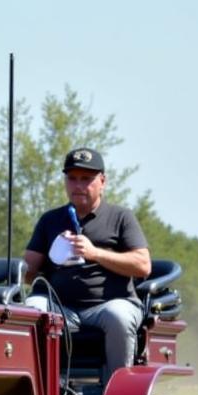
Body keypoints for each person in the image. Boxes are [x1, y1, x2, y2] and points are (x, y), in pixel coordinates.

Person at [24, 147, 151, 382]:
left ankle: (119, 391)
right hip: (61, 307)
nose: (78, 185)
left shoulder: (121, 217)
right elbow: (27, 273)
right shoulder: (50, 220)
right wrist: (32, 265)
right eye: (72, 178)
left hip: (108, 305)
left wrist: (95, 253)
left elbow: (143, 265)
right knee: (31, 309)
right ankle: (41, 392)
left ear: (102, 181)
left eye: (86, 179)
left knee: (119, 317)